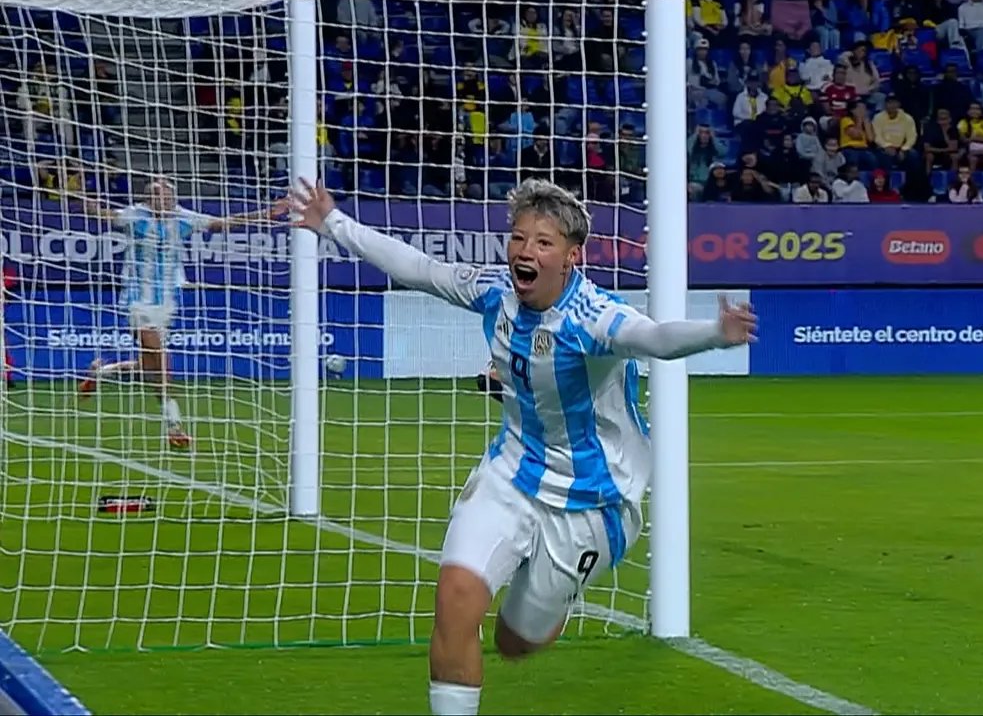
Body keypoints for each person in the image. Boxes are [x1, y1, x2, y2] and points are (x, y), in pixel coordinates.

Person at [288, 177, 757, 716]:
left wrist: (715, 334)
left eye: (542, 241)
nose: (524, 251)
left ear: (571, 256)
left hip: (592, 503)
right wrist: (333, 222)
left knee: (516, 643)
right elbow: (415, 267)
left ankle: (549, 595)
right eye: (518, 238)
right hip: (510, 473)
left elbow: (653, 337)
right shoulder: (495, 292)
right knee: (456, 598)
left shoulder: (594, 318)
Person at [75, 177, 287, 448]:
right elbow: (101, 213)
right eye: (154, 194)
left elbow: (224, 223)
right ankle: (174, 426)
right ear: (148, 199)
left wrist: (267, 214)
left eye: (164, 195)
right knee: (162, 365)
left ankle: (101, 373)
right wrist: (80, 193)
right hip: (137, 300)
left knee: (150, 368)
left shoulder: (184, 218)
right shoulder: (134, 216)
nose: (160, 199)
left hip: (167, 304)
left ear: (173, 198)